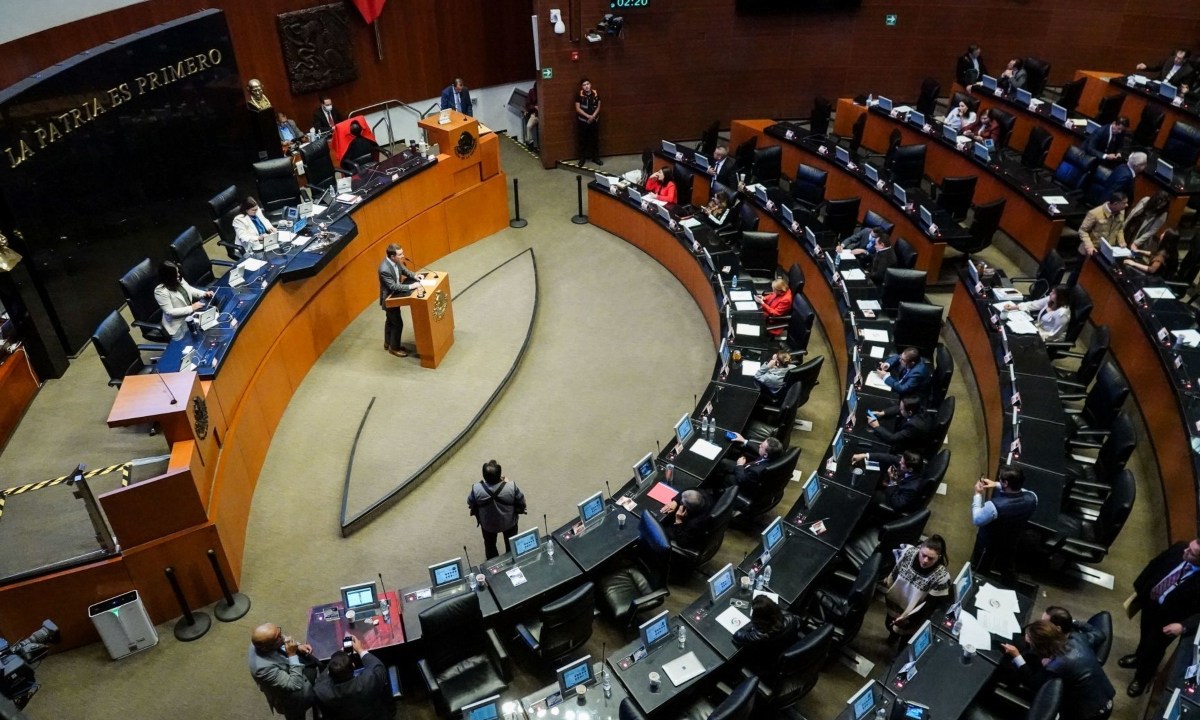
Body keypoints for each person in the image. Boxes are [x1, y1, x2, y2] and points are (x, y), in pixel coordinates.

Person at [1120, 538, 1200, 697]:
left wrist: (1183, 626)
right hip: (1151, 603)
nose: (1185, 551)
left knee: (1154, 649)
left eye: (1191, 553)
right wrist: (1140, 589)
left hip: (1170, 619)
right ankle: (1138, 657)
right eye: (1189, 548)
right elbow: (1155, 564)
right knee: (1144, 635)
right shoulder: (1180, 548)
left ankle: (1142, 679)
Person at [1002, 621, 1115, 720]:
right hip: (1107, 699)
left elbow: (1033, 683)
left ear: (1039, 647)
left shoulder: (1055, 667)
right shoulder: (1077, 638)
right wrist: (1074, 622)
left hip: (1089, 714)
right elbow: (1100, 634)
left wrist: (1017, 656)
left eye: (1030, 640)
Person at [970, 466, 1038, 579]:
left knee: (981, 570)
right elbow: (1024, 491)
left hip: (988, 544)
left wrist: (977, 494)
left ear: (1006, 483)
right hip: (1012, 540)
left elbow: (977, 519)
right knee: (1007, 569)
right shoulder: (1033, 498)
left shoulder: (994, 506)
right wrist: (997, 484)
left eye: (1001, 480)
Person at [882, 535, 951, 641]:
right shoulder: (908, 552)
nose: (925, 560)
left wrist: (910, 618)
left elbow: (930, 605)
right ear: (919, 550)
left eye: (931, 558)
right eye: (923, 555)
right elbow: (895, 567)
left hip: (915, 614)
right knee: (890, 626)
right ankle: (892, 639)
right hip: (896, 603)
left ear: (939, 557)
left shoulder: (941, 577)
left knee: (906, 638)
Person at [314, 635, 394, 720]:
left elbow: (321, 679)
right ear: (353, 665)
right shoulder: (369, 680)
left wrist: (336, 661)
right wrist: (360, 650)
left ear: (329, 673)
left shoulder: (320, 691)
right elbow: (379, 668)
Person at [248, 622, 317, 720]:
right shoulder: (262, 669)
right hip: (291, 697)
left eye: (279, 632)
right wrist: (292, 654)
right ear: (265, 647)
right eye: (278, 637)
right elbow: (295, 684)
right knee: (297, 715)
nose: (283, 637)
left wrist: (298, 646)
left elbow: (280, 639)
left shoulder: (266, 640)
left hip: (291, 667)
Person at [467, 459, 527, 559]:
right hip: (509, 523)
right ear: (499, 475)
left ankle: (493, 565)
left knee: (490, 547)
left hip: (488, 525)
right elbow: (521, 501)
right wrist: (507, 483)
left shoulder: (476, 489)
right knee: (511, 545)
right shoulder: (511, 486)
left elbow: (470, 502)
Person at [732, 595, 803, 676]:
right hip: (784, 649)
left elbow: (737, 635)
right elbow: (799, 621)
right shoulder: (791, 618)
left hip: (766, 662)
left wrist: (753, 623)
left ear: (759, 618)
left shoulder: (760, 635)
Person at [377, 243, 422, 357]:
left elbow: (404, 271)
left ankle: (388, 342)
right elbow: (393, 286)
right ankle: (394, 348)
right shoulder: (384, 269)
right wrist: (411, 286)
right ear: (392, 256)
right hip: (389, 298)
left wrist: (415, 276)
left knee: (390, 320)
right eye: (400, 254)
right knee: (397, 323)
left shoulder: (396, 261)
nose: (403, 256)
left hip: (396, 296)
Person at [851, 450, 926, 515]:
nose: (899, 462)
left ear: (910, 469)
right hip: (897, 485)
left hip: (894, 501)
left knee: (869, 493)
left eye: (902, 463)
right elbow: (889, 458)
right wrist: (864, 455)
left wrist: (892, 481)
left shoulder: (912, 488)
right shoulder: (911, 466)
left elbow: (897, 504)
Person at [153, 259, 213, 340]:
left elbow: (189, 289)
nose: (178, 274)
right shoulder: (160, 291)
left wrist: (203, 293)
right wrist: (191, 308)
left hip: (191, 315)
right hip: (178, 325)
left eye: (177, 272)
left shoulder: (178, 278)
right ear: (168, 276)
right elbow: (169, 312)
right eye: (175, 273)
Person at [866, 394, 935, 454]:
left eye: (902, 409)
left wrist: (877, 427)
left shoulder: (913, 426)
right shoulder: (917, 407)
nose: (899, 409)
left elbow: (892, 439)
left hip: (911, 447)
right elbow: (899, 408)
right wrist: (883, 413)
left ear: (910, 413)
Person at [718, 435, 784, 494]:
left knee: (728, 477)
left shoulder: (756, 471)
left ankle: (717, 490)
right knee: (724, 462)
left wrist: (739, 465)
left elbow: (742, 479)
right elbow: (758, 449)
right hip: (748, 469)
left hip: (745, 481)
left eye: (762, 446)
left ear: (765, 455)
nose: (759, 445)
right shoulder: (774, 454)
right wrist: (744, 440)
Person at [1004, 285, 1072, 342]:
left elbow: (1054, 335)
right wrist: (1015, 307)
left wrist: (1034, 335)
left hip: (1048, 338)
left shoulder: (1062, 314)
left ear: (1061, 297)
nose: (1050, 294)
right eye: (1052, 291)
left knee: (1016, 339)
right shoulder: (1051, 299)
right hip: (1038, 329)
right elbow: (1034, 304)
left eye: (1054, 293)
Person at [1078, 192, 1128, 257]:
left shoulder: (1121, 212)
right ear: (1115, 203)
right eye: (1124, 203)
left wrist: (1121, 241)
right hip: (1093, 249)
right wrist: (1089, 246)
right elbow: (1083, 231)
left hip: (1108, 250)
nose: (1127, 205)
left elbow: (1119, 228)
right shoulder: (1095, 213)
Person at [1126, 191, 1172, 256]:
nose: (1159, 206)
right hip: (1132, 225)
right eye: (1158, 203)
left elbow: (1152, 231)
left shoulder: (1163, 214)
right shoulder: (1145, 200)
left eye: (1162, 204)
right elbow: (1132, 213)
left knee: (1130, 252)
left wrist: (1136, 243)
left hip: (1141, 234)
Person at [575, 78, 602, 166]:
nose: (586, 86)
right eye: (584, 85)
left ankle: (596, 158)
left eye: (587, 84)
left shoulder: (596, 94)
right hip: (583, 122)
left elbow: (598, 106)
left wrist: (593, 116)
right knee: (583, 141)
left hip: (594, 121)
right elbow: (577, 108)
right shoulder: (579, 95)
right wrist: (588, 116)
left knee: (594, 140)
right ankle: (582, 159)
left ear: (590, 85)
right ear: (582, 87)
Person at [523, 81, 539, 151]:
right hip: (535, 114)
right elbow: (528, 104)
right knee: (528, 126)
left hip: (544, 116)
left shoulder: (544, 92)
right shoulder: (531, 92)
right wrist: (534, 107)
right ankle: (531, 143)